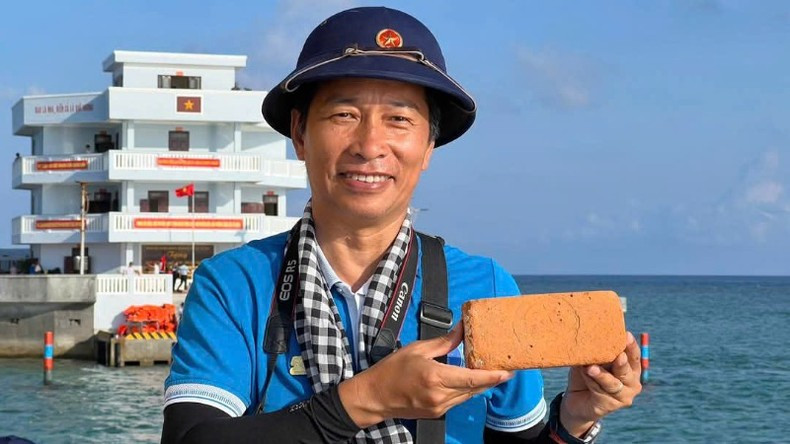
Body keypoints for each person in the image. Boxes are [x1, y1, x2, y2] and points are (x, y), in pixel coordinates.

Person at [162, 7, 641, 444]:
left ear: (428, 147)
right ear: (300, 134)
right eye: (344, 114)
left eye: (398, 119)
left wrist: (576, 418)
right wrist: (367, 399)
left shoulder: (487, 287)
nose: (370, 145)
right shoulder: (233, 284)